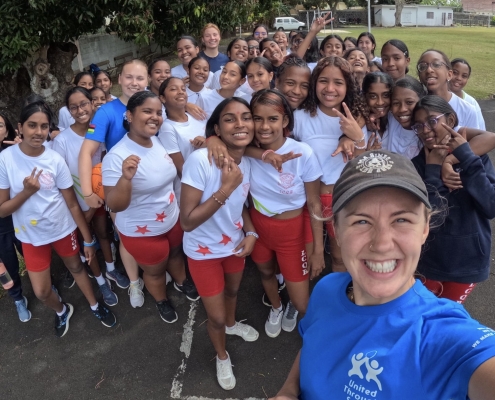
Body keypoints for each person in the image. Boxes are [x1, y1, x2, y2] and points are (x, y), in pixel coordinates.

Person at [270, 150, 495, 400]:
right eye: (361, 222)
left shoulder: (441, 336)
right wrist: (288, 391)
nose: (382, 244)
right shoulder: (327, 289)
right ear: (336, 230)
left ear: (424, 228)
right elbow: (312, 344)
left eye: (401, 219)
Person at [0, 101, 116, 337]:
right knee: (42, 291)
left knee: (77, 267)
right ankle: (63, 310)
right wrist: (26, 193)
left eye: (44, 126)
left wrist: (87, 239)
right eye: (32, 125)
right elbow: (2, 210)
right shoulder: (5, 159)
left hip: (62, 229)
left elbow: (72, 203)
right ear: (20, 127)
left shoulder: (54, 159)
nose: (39, 132)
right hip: (31, 237)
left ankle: (95, 304)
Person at [180, 97, 259, 390]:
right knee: (213, 315)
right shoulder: (201, 160)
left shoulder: (247, 162)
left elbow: (242, 206)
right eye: (230, 119)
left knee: (234, 291)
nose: (240, 124)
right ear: (217, 128)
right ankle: (221, 355)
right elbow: (187, 221)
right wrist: (226, 188)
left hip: (234, 246)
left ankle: (231, 324)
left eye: (246, 117)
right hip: (204, 253)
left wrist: (251, 234)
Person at [103, 91, 198, 323]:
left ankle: (181, 281)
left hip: (171, 218)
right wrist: (125, 179)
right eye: (147, 111)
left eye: (158, 112)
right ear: (129, 115)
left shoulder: (157, 141)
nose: (154, 117)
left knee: (176, 255)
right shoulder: (116, 157)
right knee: (154, 271)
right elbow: (114, 204)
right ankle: (161, 300)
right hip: (141, 231)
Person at [248, 89, 324, 337]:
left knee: (303, 304)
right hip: (259, 227)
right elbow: (219, 142)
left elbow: (314, 203)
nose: (264, 126)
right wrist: (265, 154)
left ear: (285, 121)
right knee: (266, 272)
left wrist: (318, 250)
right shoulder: (246, 150)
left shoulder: (303, 153)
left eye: (272, 119)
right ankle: (277, 306)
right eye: (257, 118)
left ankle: (293, 308)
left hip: (291, 232)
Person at [411, 95, 495, 303]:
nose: (426, 130)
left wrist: (466, 158)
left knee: (447, 319)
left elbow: (490, 206)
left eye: (432, 121)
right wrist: (432, 171)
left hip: (467, 262)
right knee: (421, 315)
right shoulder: (418, 165)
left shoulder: (476, 158)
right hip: (429, 261)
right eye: (419, 126)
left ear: (450, 121)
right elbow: (433, 217)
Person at [79, 59, 145, 307]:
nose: (134, 83)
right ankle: (134, 282)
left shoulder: (153, 105)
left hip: (152, 186)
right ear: (119, 80)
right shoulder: (106, 112)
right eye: (129, 77)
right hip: (119, 187)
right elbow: (86, 152)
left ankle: (153, 272)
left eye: (140, 78)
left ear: (147, 81)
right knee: (127, 238)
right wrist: (87, 191)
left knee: (154, 231)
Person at [293, 56, 369, 273]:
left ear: (348, 87)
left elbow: (360, 168)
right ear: (314, 81)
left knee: (339, 258)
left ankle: (338, 302)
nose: (330, 88)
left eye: (338, 82)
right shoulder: (300, 117)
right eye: (323, 81)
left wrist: (357, 138)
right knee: (309, 259)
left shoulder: (355, 119)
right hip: (310, 199)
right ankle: (306, 306)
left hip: (344, 200)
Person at [52, 87, 118, 307]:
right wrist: (83, 209)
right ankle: (100, 282)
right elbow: (61, 180)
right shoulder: (62, 141)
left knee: (103, 234)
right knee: (86, 242)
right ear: (68, 111)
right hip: (76, 205)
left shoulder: (100, 131)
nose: (80, 110)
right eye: (74, 107)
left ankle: (111, 270)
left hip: (100, 197)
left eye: (83, 104)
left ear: (92, 103)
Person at [0, 111, 30, 322]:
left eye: (0, 125)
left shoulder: (11, 152)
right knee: (8, 267)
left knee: (33, 256)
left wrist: (22, 150)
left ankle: (47, 284)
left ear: (7, 129)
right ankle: (17, 297)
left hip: (19, 219)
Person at [158, 77, 206, 196]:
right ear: (162, 98)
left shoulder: (197, 116)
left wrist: (207, 142)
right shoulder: (167, 128)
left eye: (183, 89)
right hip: (193, 189)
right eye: (173, 89)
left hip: (211, 179)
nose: (180, 92)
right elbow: (181, 170)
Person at [416, 49, 481, 130]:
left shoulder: (468, 110)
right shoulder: (416, 107)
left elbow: (479, 139)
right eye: (422, 67)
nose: (429, 70)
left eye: (436, 64)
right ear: (419, 77)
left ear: (449, 74)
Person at [449, 58, 486, 130]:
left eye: (464, 76)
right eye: (455, 73)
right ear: (448, 73)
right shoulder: (436, 96)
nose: (459, 78)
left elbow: (481, 132)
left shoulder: (471, 103)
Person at [362, 71, 393, 144]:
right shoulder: (360, 123)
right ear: (364, 96)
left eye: (386, 95)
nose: (380, 102)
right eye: (373, 96)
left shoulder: (396, 120)